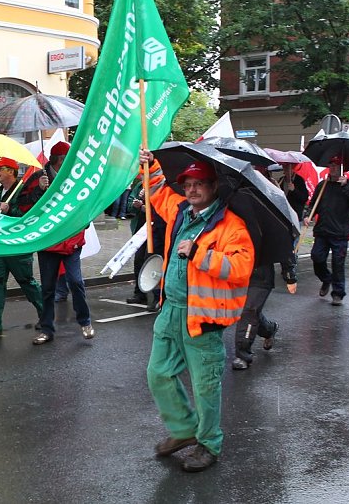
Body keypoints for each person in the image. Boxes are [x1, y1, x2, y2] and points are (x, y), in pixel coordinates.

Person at [139, 149, 255, 473]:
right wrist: (149, 165)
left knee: (205, 387)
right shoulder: (180, 211)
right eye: (187, 184)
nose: (191, 189)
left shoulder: (231, 226)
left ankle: (209, 443)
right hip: (171, 312)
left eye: (199, 183)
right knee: (158, 374)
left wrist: (199, 253)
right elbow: (157, 192)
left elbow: (241, 267)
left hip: (203, 319)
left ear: (213, 186)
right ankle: (184, 430)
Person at [20, 141, 95, 345]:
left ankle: (85, 321)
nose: (69, 163)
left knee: (76, 282)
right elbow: (23, 206)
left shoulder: (77, 177)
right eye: (65, 159)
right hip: (48, 243)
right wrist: (39, 190)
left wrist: (84, 222)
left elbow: (85, 204)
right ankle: (47, 329)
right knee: (48, 288)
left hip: (71, 242)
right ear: (58, 160)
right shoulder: (38, 178)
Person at [0, 157, 45, 338]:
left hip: (17, 249)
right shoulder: (0, 191)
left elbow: (28, 216)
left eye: (0, 169)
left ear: (11, 171)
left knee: (27, 284)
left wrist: (10, 210)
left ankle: (46, 314)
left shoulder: (22, 190)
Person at [306, 155, 349, 306]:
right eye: (330, 165)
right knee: (316, 257)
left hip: (340, 233)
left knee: (338, 264)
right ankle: (326, 279)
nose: (332, 168)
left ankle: (338, 293)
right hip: (322, 231)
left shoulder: (348, 185)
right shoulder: (322, 186)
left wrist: (346, 186)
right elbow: (313, 204)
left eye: (335, 166)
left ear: (341, 168)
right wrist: (308, 215)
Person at [231, 263, 278, 370]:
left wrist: (289, 274)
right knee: (247, 311)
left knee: (249, 311)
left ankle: (243, 354)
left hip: (260, 275)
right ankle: (269, 329)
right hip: (236, 271)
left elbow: (283, 252)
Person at [126, 181, 164, 311]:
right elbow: (129, 206)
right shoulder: (139, 186)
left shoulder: (161, 186)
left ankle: (157, 297)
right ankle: (139, 292)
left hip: (156, 230)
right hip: (141, 231)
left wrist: (145, 203)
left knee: (152, 261)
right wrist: (136, 204)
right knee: (139, 260)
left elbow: (160, 210)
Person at [278, 163, 308, 292]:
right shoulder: (280, 181)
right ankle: (286, 265)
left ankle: (291, 265)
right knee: (284, 242)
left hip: (295, 216)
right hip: (283, 216)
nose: (286, 170)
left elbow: (304, 198)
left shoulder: (299, 180)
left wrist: (294, 190)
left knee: (293, 242)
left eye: (288, 168)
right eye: (285, 168)